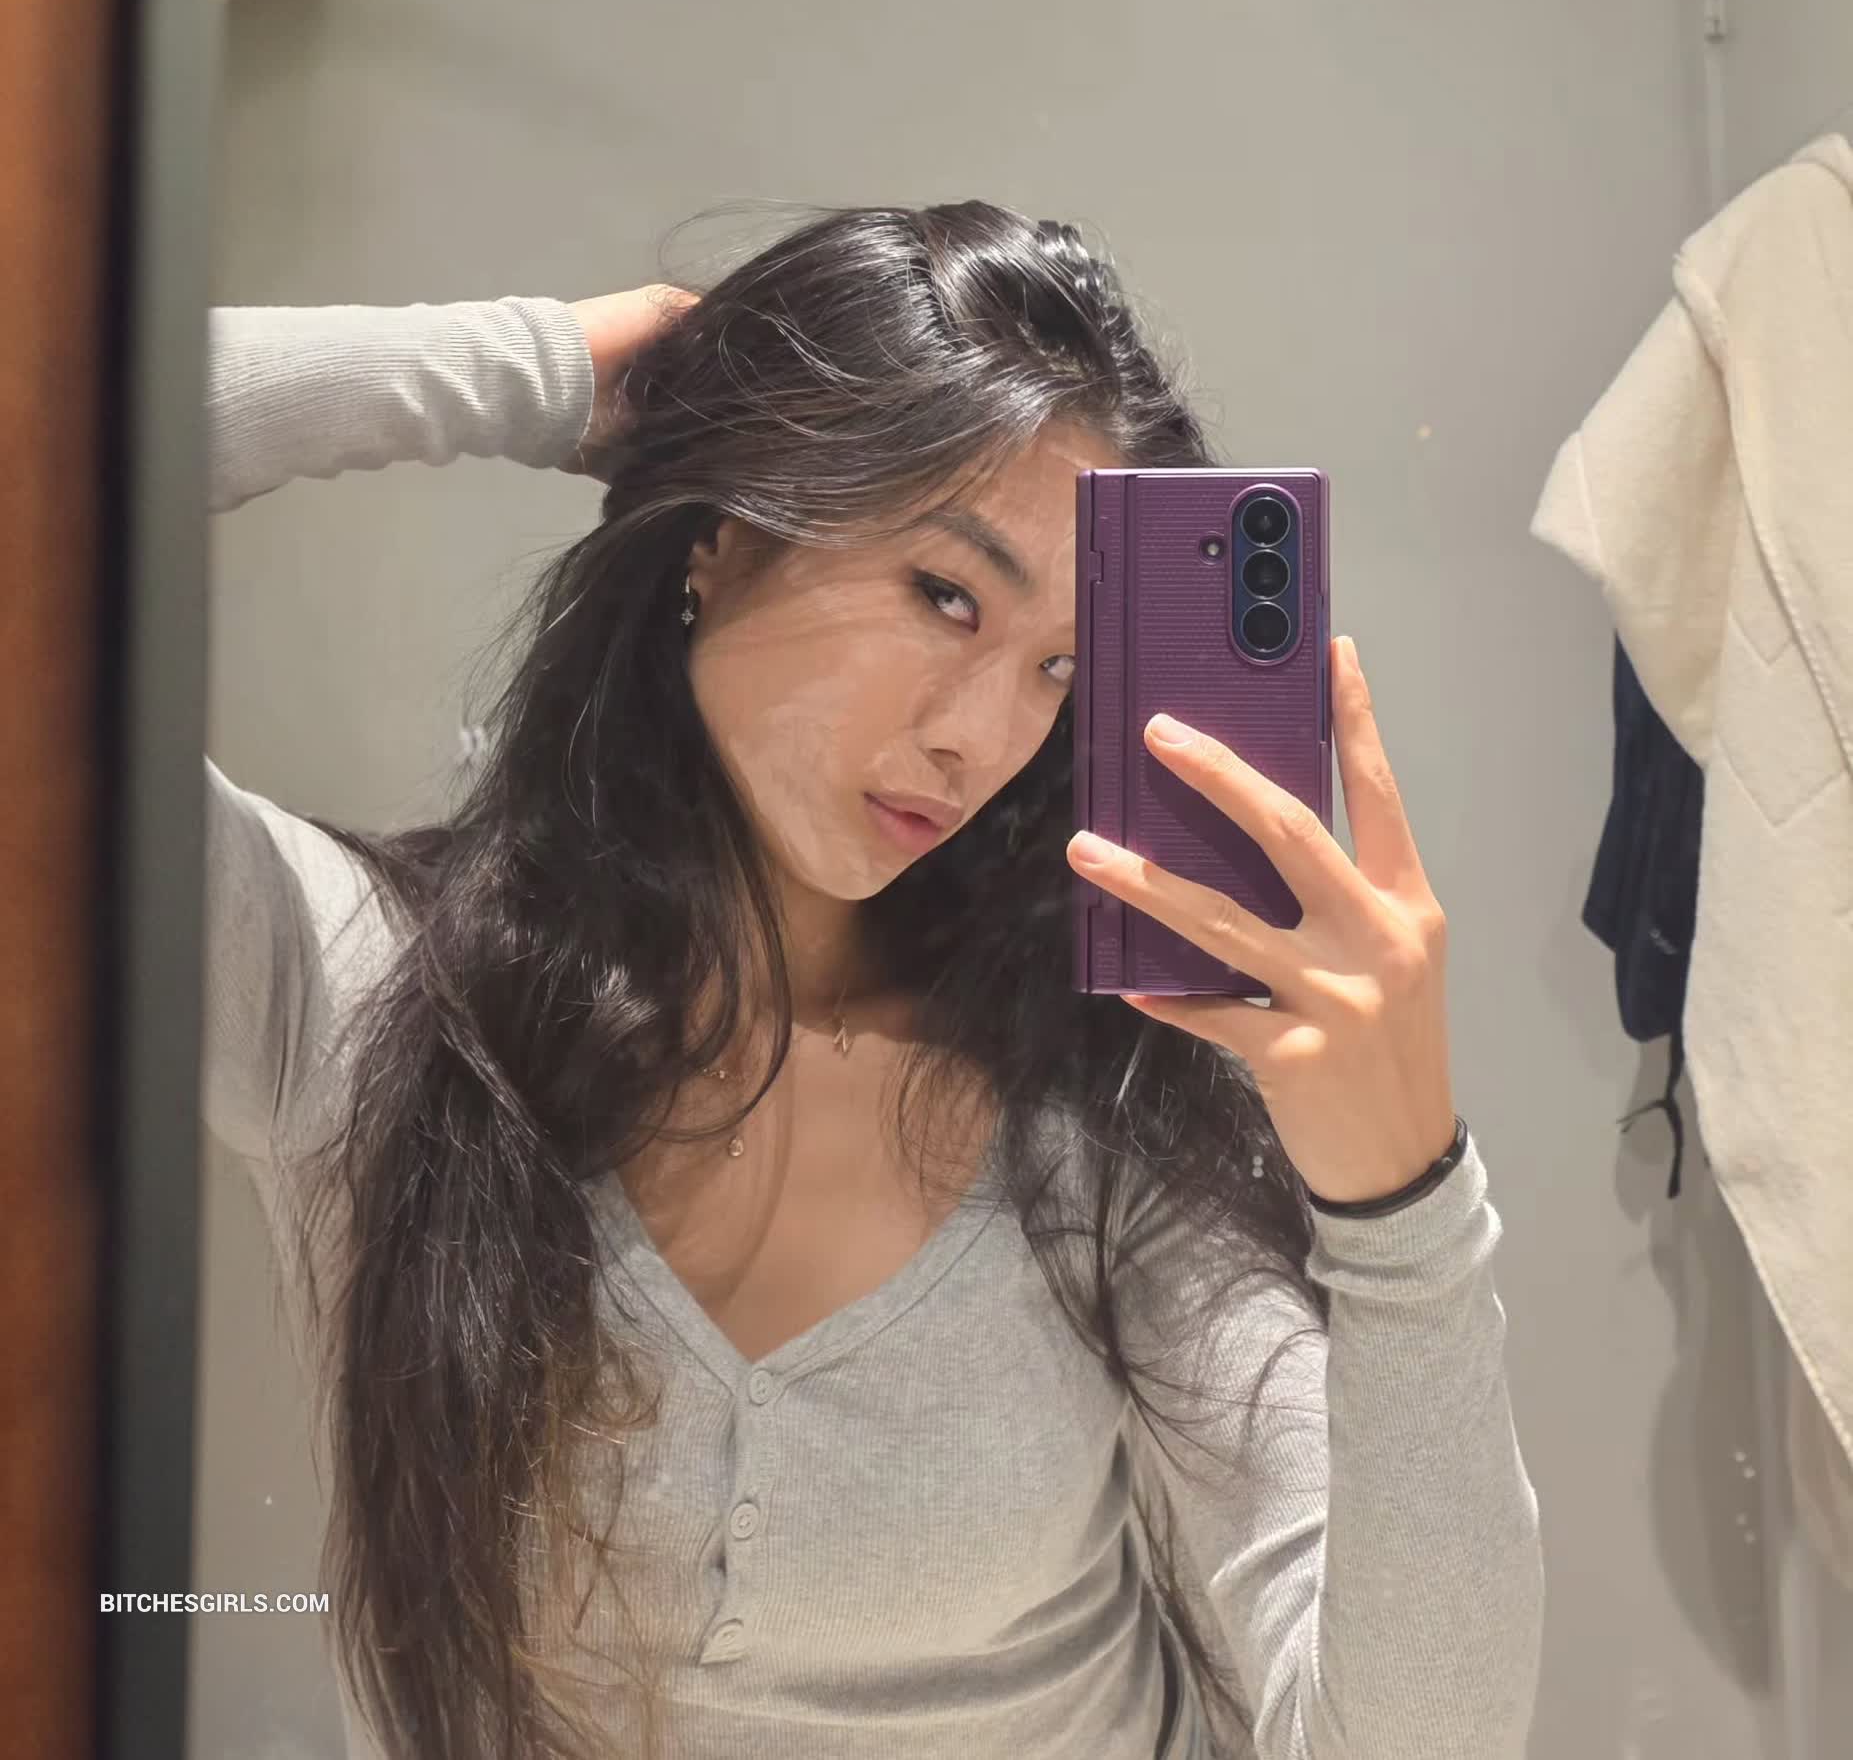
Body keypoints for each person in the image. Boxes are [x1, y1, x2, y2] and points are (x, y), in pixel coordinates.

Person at [199, 201, 1543, 1760]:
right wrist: (543, 370)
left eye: (1058, 667)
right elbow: (49, 434)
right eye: (944, 595)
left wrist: (1403, 1209)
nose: (980, 734)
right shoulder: (364, 994)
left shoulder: (1093, 1116)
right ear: (721, 538)